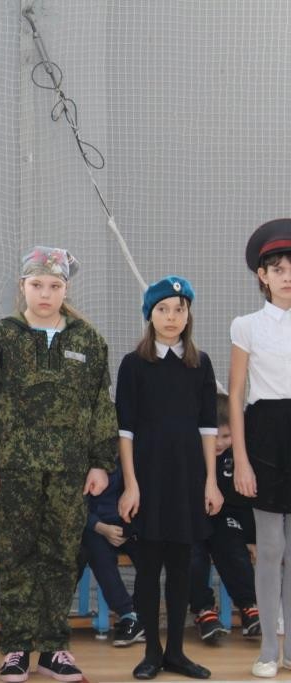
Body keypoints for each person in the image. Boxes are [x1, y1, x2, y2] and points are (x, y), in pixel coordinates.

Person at [0, 246, 115, 683]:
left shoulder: (88, 340)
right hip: (13, 470)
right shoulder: (1, 337)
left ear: (66, 289)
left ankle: (53, 649)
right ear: (23, 287)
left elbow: (101, 405)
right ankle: (15, 648)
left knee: (62, 557)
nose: (45, 294)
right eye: (36, 285)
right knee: (15, 557)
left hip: (70, 471)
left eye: (54, 285)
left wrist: (100, 462)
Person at [116, 275, 221, 680]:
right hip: (148, 479)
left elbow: (208, 429)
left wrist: (210, 481)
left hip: (187, 479)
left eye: (179, 309)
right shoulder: (134, 364)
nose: (172, 317)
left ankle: (176, 651)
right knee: (148, 569)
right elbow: (125, 431)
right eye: (163, 309)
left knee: (182, 567)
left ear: (188, 314)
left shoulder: (200, 363)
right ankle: (151, 653)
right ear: (150, 315)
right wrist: (131, 484)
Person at [229, 219, 291, 678]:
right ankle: (269, 648)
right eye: (278, 268)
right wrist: (242, 460)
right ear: (262, 276)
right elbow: (235, 395)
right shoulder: (246, 326)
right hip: (265, 435)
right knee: (269, 547)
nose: (287, 276)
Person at [187, 393, 259, 642]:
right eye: (214, 436)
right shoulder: (192, 453)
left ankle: (248, 606)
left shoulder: (240, 457)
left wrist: (250, 537)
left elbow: (246, 501)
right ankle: (203, 610)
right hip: (193, 517)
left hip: (226, 516)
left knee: (234, 550)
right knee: (193, 556)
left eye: (226, 436)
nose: (219, 443)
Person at [76, 465, 144, 648]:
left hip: (127, 522)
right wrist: (100, 527)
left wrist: (129, 528)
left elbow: (143, 496)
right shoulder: (84, 461)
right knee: (100, 556)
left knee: (149, 554)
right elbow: (73, 504)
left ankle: (140, 614)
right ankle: (127, 614)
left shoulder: (129, 459)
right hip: (94, 527)